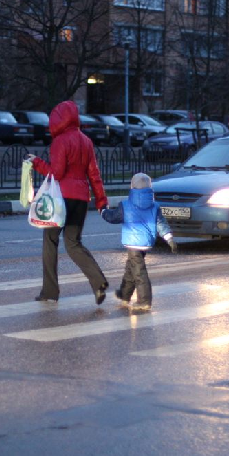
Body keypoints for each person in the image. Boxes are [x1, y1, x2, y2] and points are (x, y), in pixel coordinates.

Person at [26, 100, 109, 305]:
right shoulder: (86, 141)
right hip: (81, 199)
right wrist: (101, 202)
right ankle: (98, 282)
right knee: (73, 243)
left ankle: (50, 291)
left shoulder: (60, 141)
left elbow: (57, 173)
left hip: (60, 199)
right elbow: (94, 174)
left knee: (50, 241)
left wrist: (36, 162)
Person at [100, 173, 177, 311]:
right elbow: (161, 224)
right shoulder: (155, 206)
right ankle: (124, 294)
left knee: (139, 272)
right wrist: (169, 238)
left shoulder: (125, 205)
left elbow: (112, 218)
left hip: (132, 242)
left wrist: (103, 211)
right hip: (146, 242)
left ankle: (144, 301)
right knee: (131, 268)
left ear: (132, 187)